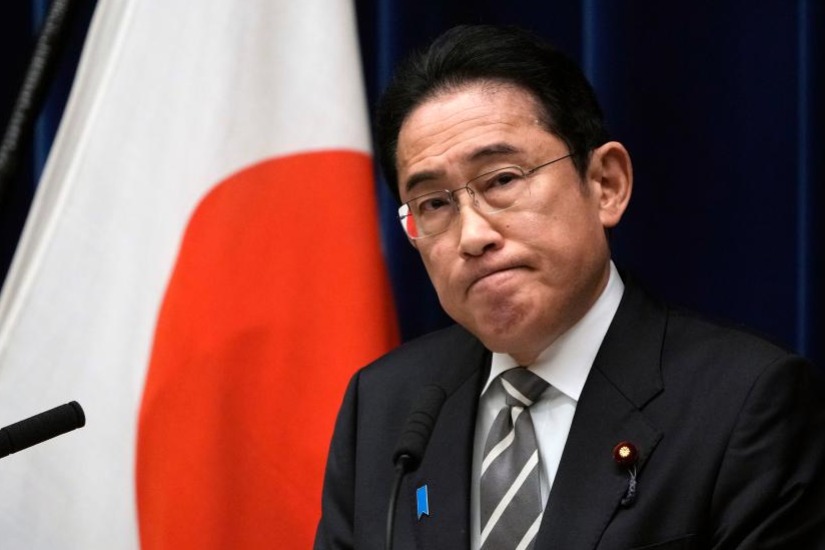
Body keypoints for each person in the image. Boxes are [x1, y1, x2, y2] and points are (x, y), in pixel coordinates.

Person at [314, 24, 825, 549]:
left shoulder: (745, 402)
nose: (472, 236)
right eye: (434, 204)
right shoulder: (384, 407)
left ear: (606, 184)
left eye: (502, 179)